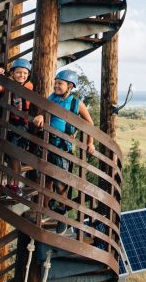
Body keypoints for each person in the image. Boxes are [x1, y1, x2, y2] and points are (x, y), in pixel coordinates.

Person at [32, 69, 95, 217]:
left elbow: (89, 124)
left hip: (63, 147)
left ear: (70, 86)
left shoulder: (76, 103)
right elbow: (43, 111)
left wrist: (90, 143)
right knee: (45, 180)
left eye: (60, 83)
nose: (56, 86)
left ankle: (62, 213)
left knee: (60, 184)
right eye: (55, 83)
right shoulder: (52, 97)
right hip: (47, 143)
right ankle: (45, 211)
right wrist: (40, 116)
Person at [0, 57, 34, 196]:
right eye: (18, 72)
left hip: (21, 126)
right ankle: (11, 184)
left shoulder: (29, 86)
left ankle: (15, 185)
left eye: (24, 73)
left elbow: (22, 87)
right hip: (8, 124)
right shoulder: (8, 85)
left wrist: (7, 78)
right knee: (8, 156)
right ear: (12, 73)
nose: (22, 75)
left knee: (15, 156)